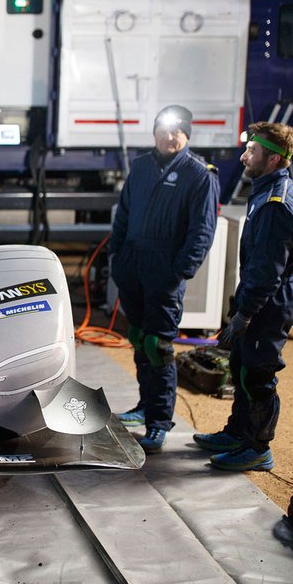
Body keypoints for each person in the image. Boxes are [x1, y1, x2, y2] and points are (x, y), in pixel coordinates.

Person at [194, 122, 293, 471]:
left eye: (253, 151)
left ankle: (258, 447)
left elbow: (266, 271)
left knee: (257, 375)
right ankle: (238, 433)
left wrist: (244, 314)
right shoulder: (270, 187)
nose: (245, 156)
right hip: (263, 293)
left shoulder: (277, 203)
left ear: (274, 158)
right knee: (240, 364)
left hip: (272, 300)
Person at [110, 104, 220, 454]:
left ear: (186, 135)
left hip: (164, 272)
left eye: (176, 131)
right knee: (140, 339)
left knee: (159, 347)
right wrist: (118, 257)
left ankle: (159, 422)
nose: (169, 137)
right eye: (163, 129)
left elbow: (202, 230)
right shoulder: (141, 167)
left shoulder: (200, 174)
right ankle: (145, 405)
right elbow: (123, 215)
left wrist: (179, 272)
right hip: (132, 266)